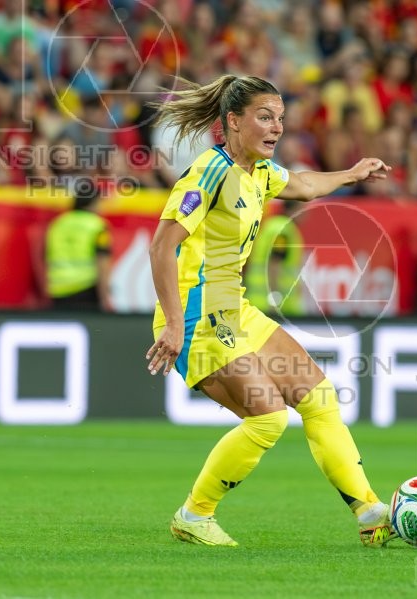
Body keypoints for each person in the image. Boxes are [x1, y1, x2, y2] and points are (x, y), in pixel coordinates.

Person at [145, 75, 393, 548]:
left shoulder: (260, 171)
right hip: (197, 316)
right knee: (269, 417)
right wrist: (174, 325)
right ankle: (195, 514)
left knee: (318, 397)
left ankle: (369, 512)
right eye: (265, 117)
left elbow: (302, 183)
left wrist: (351, 173)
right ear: (233, 122)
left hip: (233, 309)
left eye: (280, 118)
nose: (277, 127)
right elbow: (161, 248)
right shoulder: (209, 172)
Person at [44, 178, 113, 311]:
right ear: (93, 202)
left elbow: (46, 257)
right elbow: (102, 261)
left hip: (58, 290)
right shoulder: (98, 226)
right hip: (86, 289)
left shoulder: (57, 224)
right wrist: (105, 296)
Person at [244, 200, 305, 317]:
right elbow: (274, 264)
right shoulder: (283, 231)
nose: (306, 214)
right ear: (293, 210)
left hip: (259, 302)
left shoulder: (272, 225)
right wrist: (274, 299)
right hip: (274, 306)